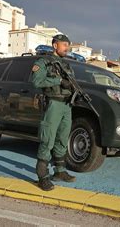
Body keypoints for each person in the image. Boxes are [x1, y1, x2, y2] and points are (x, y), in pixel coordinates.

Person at [31, 34, 76, 191]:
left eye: (68, 45)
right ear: (55, 45)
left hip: (66, 105)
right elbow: (36, 81)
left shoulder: (66, 65)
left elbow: (71, 83)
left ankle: (60, 171)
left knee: (62, 139)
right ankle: (42, 176)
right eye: (64, 45)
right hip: (53, 104)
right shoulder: (43, 62)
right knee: (47, 139)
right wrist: (58, 81)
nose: (67, 48)